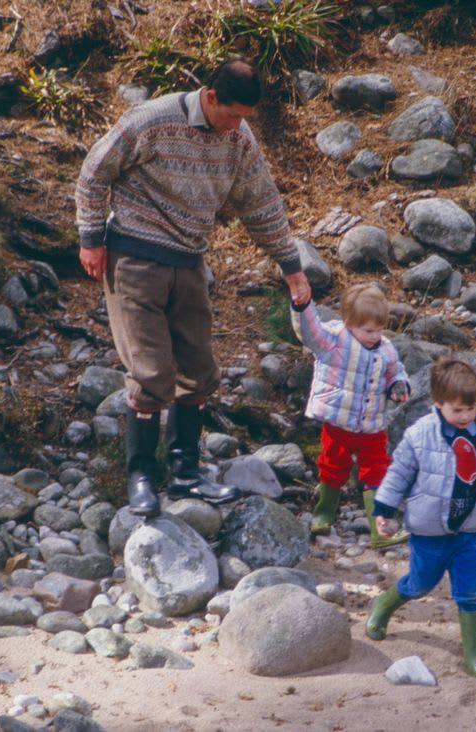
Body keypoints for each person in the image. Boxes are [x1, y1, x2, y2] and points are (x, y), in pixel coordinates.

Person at [75, 58, 311, 518]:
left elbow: (261, 201)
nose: (237, 125)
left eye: (245, 117)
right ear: (210, 97)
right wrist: (90, 238)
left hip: (189, 260)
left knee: (200, 371)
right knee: (150, 374)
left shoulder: (238, 137)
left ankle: (185, 474)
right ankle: (141, 475)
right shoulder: (151, 120)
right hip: (134, 256)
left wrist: (290, 265)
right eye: (232, 114)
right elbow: (93, 172)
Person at [365, 357, 476, 680]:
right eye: (456, 410)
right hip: (429, 530)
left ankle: (472, 657)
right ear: (438, 405)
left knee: (470, 591)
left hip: (468, 529)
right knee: (420, 584)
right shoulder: (421, 433)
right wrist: (383, 509)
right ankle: (385, 604)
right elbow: (399, 473)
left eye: (470, 408)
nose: (465, 416)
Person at [291, 283, 410, 548]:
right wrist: (303, 306)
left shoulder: (386, 349)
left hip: (372, 426)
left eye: (379, 329)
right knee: (332, 465)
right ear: (348, 323)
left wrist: (398, 386)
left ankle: (380, 530)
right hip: (338, 423)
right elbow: (309, 332)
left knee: (377, 472)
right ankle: (323, 513)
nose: (375, 335)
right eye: (368, 330)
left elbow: (396, 371)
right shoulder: (333, 340)